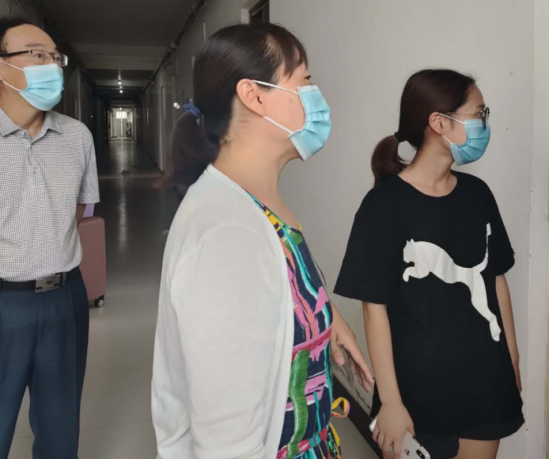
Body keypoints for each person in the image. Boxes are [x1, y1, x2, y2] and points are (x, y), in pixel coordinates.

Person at [152, 23, 374, 459]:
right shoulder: (228, 234)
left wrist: (324, 319)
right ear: (253, 95)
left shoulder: (258, 202)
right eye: (305, 80)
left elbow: (277, 291)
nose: (315, 96)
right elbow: (226, 441)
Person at [335, 69, 524, 459]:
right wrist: (391, 401)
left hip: (486, 386)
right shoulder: (383, 205)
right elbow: (374, 308)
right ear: (439, 122)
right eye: (478, 114)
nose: (484, 123)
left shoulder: (478, 194)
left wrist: (512, 360)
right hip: (415, 395)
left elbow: (495, 281)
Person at [0, 17, 100, 459]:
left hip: (65, 298)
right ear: (0, 67)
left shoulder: (76, 136)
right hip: (2, 301)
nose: (51, 66)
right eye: (37, 54)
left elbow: (76, 213)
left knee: (60, 433)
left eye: (55, 57)